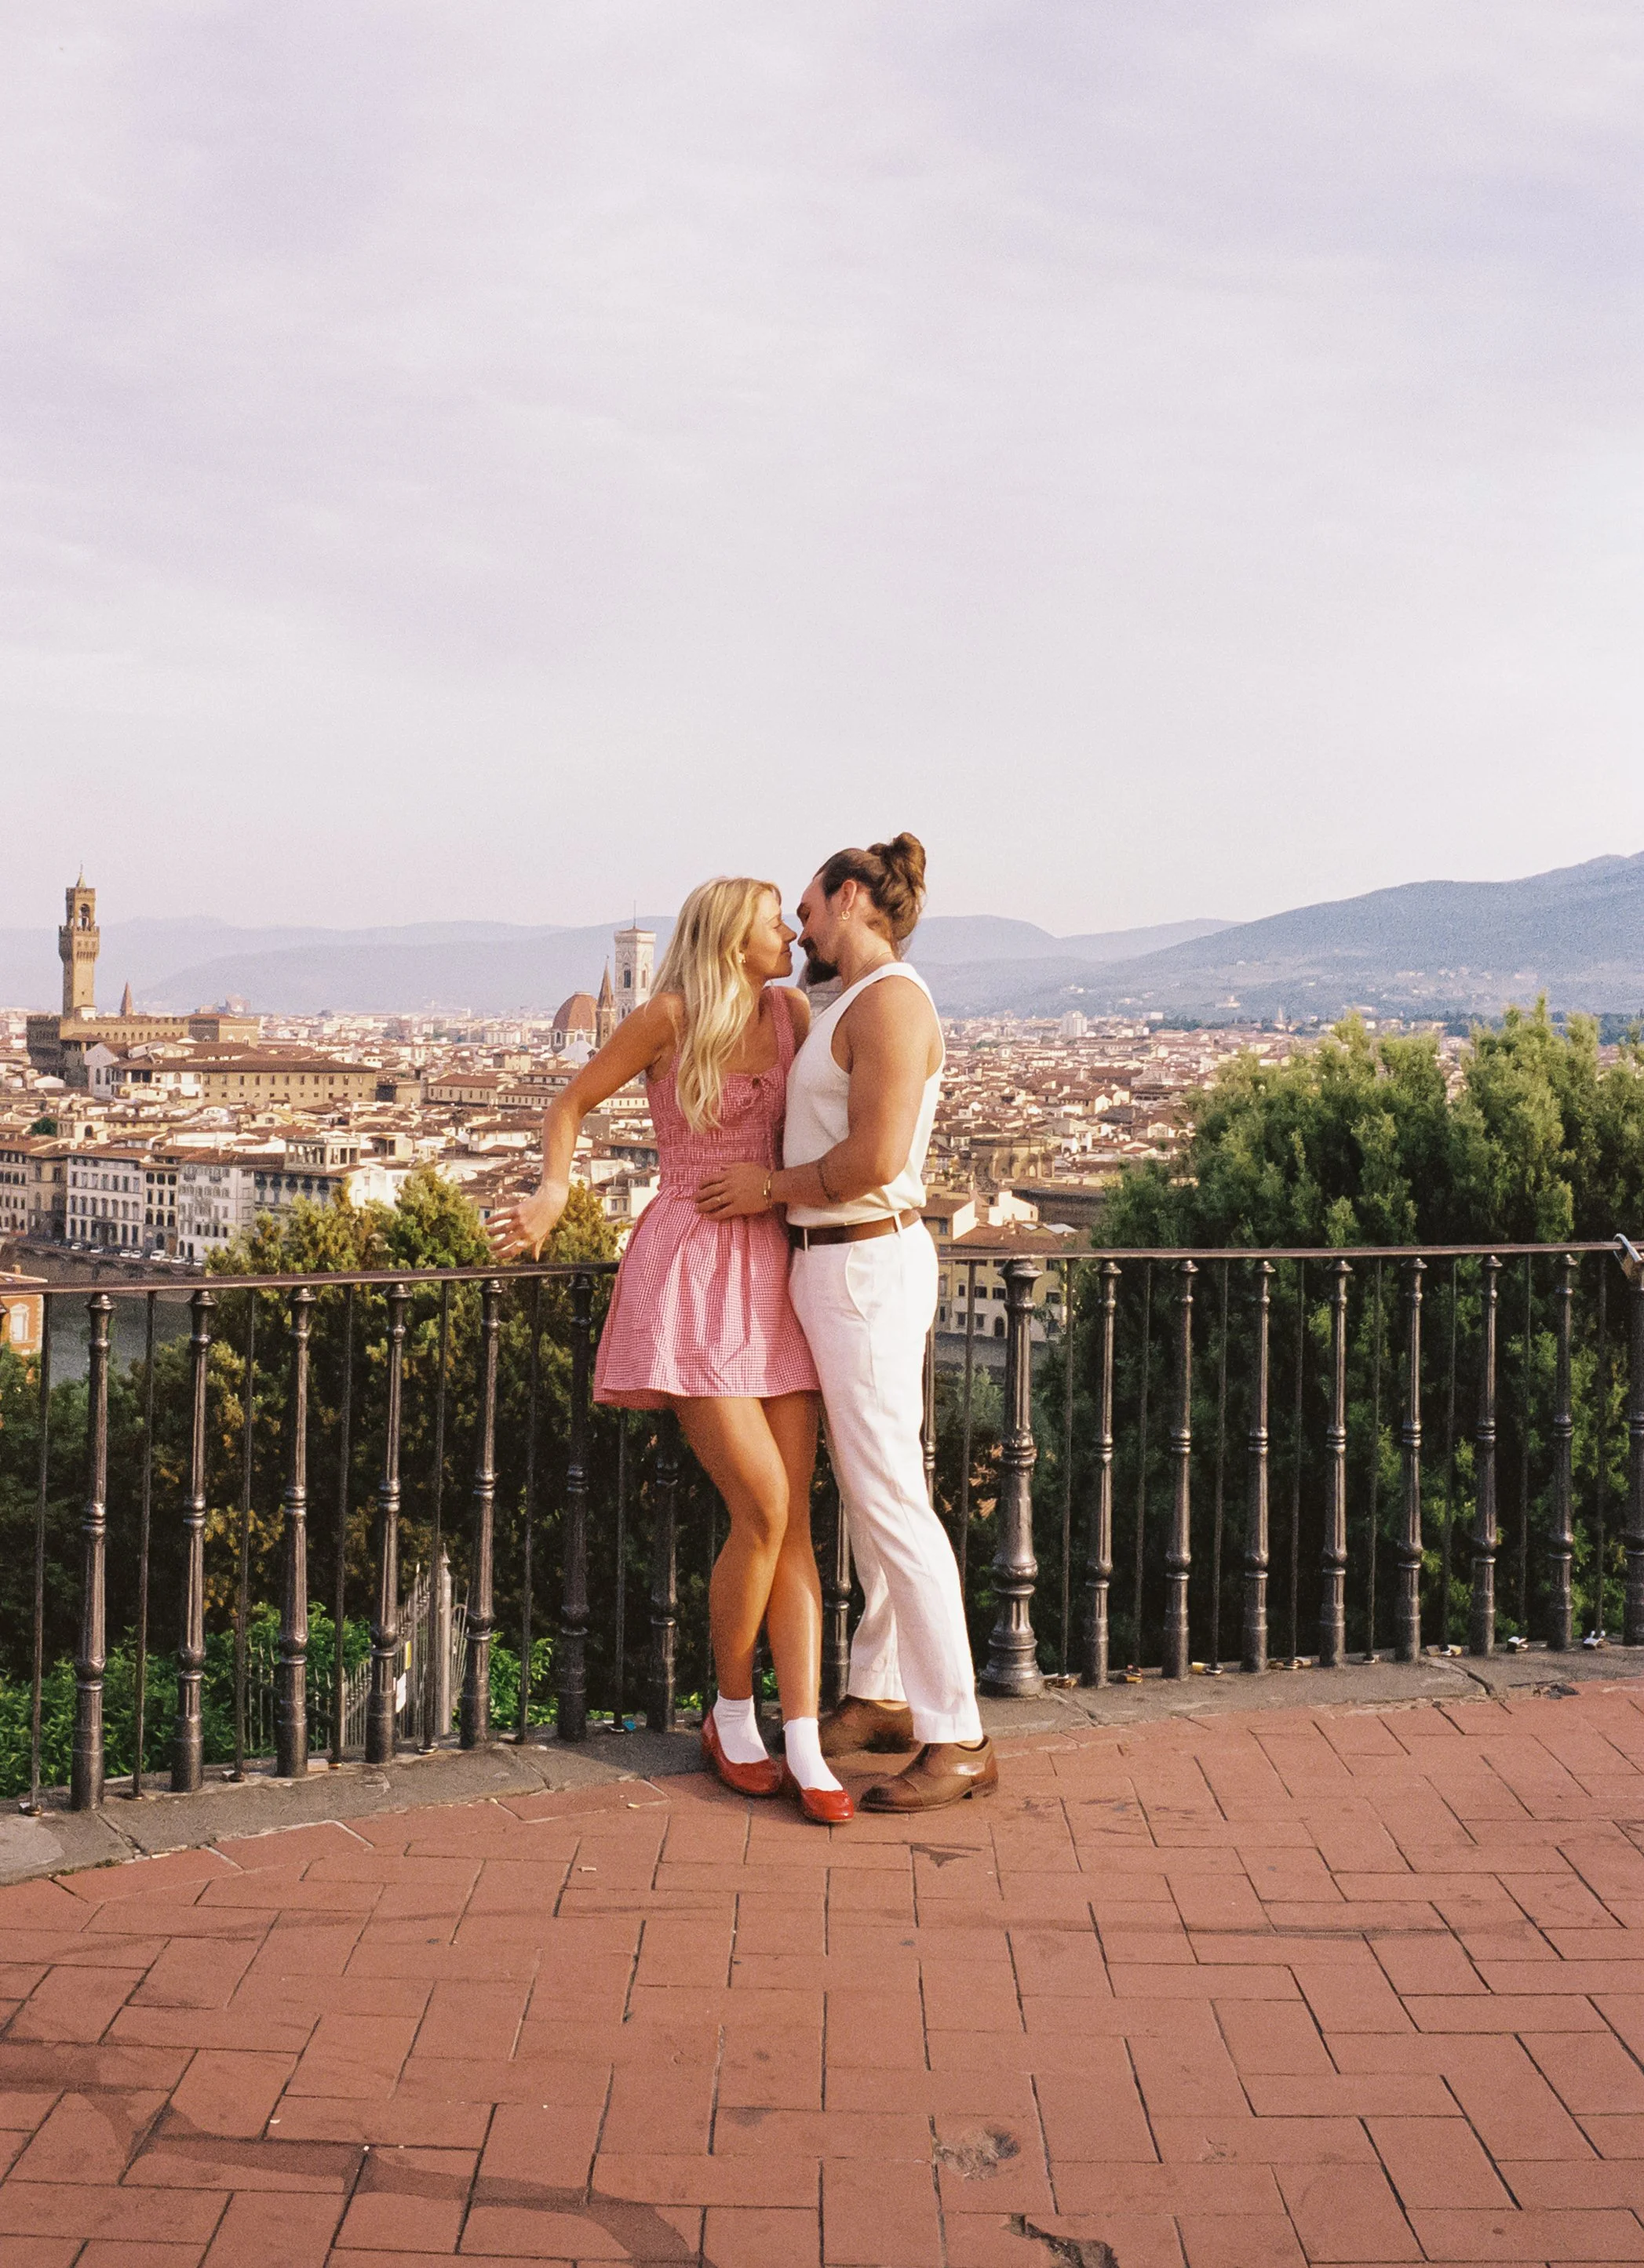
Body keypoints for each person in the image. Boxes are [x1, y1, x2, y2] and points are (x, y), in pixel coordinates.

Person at [487, 877, 852, 1825]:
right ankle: (733, 1714)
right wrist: (554, 1192)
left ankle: (803, 1737)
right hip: (689, 1268)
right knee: (763, 1504)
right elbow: (568, 1105)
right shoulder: (666, 1016)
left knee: (795, 1521)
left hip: (773, 1267)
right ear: (734, 934)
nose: (789, 933)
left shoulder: (793, 1012)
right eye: (776, 919)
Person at [697, 834, 996, 1812]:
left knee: (893, 1501)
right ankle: (877, 1692)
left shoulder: (894, 1003)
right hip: (832, 1266)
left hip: (863, 1261)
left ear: (855, 895)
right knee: (874, 1492)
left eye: (812, 907)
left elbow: (871, 1155)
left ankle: (959, 1733)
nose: (801, 928)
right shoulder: (848, 1004)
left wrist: (766, 1187)